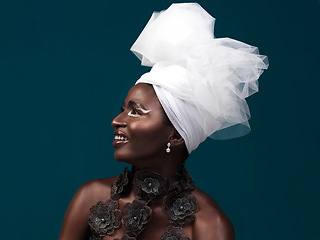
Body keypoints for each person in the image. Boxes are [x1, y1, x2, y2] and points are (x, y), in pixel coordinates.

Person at [58, 3, 268, 240]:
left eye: (136, 112)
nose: (116, 121)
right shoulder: (90, 197)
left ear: (176, 135)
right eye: (123, 110)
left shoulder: (210, 225)